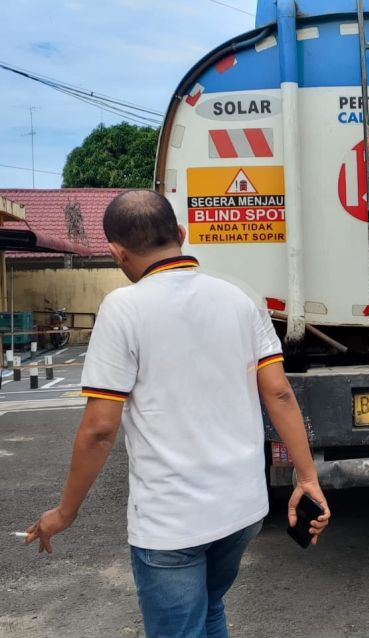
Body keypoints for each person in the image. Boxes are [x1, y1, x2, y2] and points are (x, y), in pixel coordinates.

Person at [25, 190, 330, 638]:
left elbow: (99, 430)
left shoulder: (122, 309)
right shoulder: (240, 300)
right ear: (182, 235)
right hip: (241, 510)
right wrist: (307, 480)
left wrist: (66, 513)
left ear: (116, 253)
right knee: (209, 609)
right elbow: (280, 394)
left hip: (172, 524)